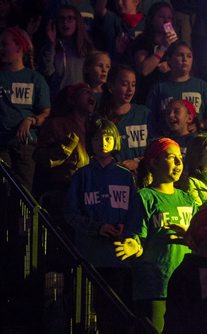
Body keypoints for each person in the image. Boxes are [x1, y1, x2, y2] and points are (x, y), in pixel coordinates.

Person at [114, 138, 197, 333]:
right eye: (171, 157)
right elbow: (137, 236)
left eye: (180, 158)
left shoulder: (188, 198)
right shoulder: (145, 196)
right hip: (155, 286)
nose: (178, 163)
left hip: (184, 284)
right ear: (154, 162)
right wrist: (133, 245)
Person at [65, 118, 137, 333]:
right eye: (97, 138)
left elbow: (135, 213)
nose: (102, 142)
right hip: (90, 257)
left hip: (119, 257)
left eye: (107, 138)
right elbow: (70, 213)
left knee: (116, 315)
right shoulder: (82, 176)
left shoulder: (126, 177)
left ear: (115, 140)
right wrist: (97, 227)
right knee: (90, 314)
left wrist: (126, 229)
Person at [0, 27, 51, 190]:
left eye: (4, 44)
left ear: (19, 47)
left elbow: (46, 111)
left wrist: (31, 120)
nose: (1, 49)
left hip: (25, 144)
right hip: (1, 144)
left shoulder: (35, 79)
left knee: (23, 193)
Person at [32, 83, 94, 198]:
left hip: (88, 192)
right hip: (62, 191)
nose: (92, 96)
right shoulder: (56, 124)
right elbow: (40, 156)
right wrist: (63, 150)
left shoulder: (93, 128)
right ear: (72, 99)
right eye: (86, 92)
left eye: (92, 92)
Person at [146, 40, 207, 130]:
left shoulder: (202, 87)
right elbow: (149, 119)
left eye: (189, 56)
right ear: (169, 60)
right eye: (180, 55)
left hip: (195, 140)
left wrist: (199, 125)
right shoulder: (159, 88)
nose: (185, 59)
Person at [97, 64, 152, 173]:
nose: (130, 89)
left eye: (133, 84)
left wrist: (137, 162)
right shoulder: (102, 117)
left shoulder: (144, 114)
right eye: (124, 84)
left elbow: (155, 146)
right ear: (111, 86)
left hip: (143, 178)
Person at [40, 5, 94, 99]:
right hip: (58, 100)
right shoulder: (50, 48)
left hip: (80, 100)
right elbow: (47, 72)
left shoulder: (86, 48)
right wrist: (50, 45)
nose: (65, 22)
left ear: (77, 22)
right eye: (61, 19)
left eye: (70, 18)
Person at [132, 1, 178, 103]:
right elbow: (144, 70)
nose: (166, 20)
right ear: (152, 19)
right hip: (147, 92)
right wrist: (163, 48)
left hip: (169, 93)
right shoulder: (142, 40)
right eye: (161, 16)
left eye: (169, 18)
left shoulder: (175, 44)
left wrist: (171, 65)